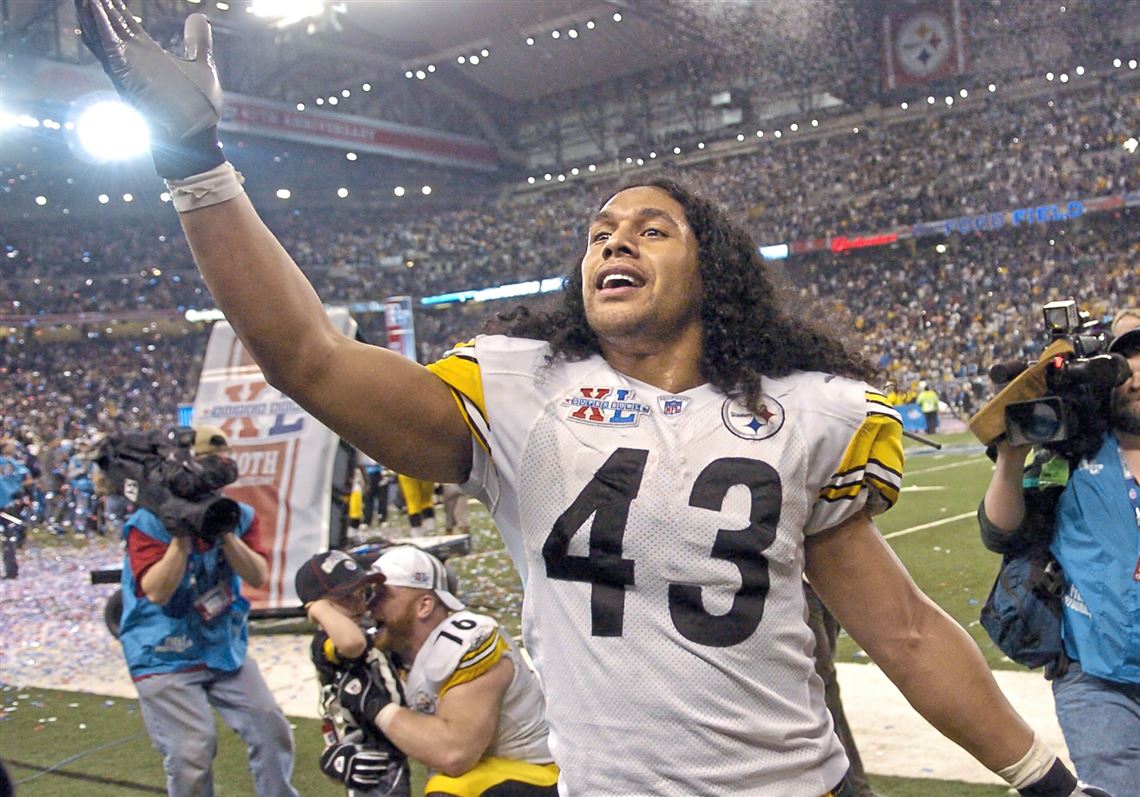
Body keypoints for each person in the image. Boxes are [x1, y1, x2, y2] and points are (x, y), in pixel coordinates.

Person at [74, 5, 1108, 794]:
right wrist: (194, 163)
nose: (613, 239)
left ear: (716, 269)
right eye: (599, 229)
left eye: (651, 227)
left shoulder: (813, 408)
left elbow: (909, 633)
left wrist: (1044, 778)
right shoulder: (522, 390)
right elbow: (306, 354)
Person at [978, 311, 1140, 796]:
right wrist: (1009, 457)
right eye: (1128, 369)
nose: (1137, 380)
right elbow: (1002, 531)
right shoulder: (1071, 455)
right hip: (1097, 677)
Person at [112, 424, 299, 797]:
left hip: (222, 646)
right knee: (192, 748)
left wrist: (224, 531)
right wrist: (180, 535)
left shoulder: (237, 514)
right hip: (162, 652)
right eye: (208, 460)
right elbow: (157, 591)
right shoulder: (148, 522)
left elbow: (257, 575)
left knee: (270, 725)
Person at [320, 545, 558, 797]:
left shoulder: (466, 639)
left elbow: (455, 753)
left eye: (382, 595)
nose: (370, 606)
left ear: (424, 605)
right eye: (369, 594)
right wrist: (343, 751)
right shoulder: (392, 652)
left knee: (450, 788)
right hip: (491, 773)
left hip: (539, 773)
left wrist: (375, 706)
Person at [296, 550, 410, 797]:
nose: (360, 604)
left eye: (362, 594)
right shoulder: (325, 642)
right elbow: (352, 645)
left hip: (391, 741)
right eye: (346, 597)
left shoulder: (364, 629)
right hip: (367, 751)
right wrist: (318, 608)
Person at [803, 582, 879, 797]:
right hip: (791, 582)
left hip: (821, 576)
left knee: (823, 685)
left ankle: (853, 786)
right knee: (819, 686)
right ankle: (855, 788)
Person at [0, 438, 33, 580]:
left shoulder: (11, 463)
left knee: (8, 537)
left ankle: (11, 569)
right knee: (9, 537)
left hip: (7, 502)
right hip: (9, 503)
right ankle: (11, 570)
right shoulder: (10, 463)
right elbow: (27, 478)